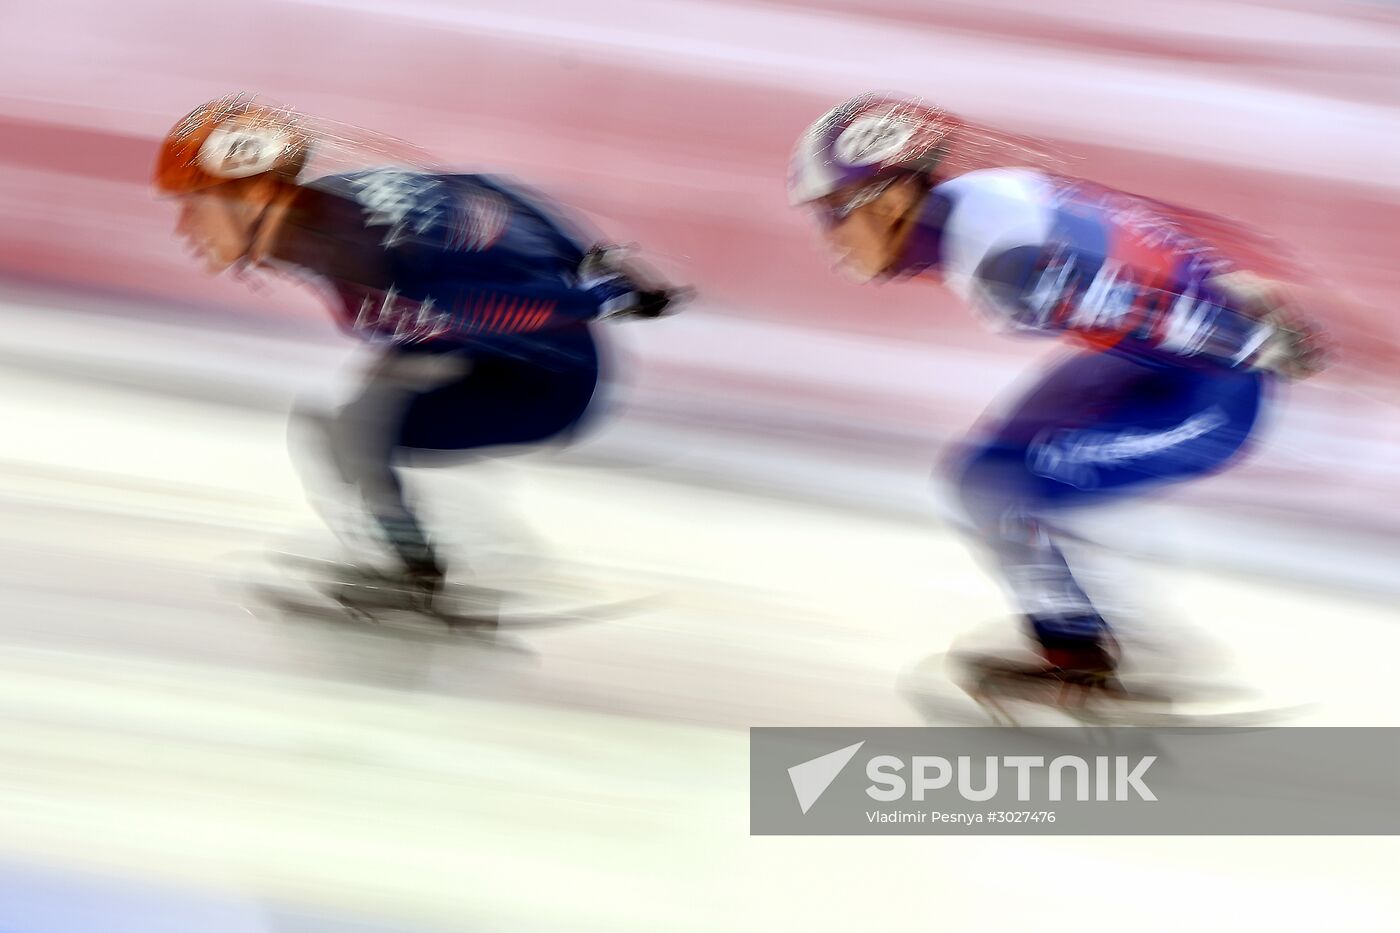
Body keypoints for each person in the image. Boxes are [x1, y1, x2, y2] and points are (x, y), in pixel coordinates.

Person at [788, 93, 1325, 697]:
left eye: (830, 214)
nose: (829, 240)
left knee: (1003, 488)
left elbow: (1143, 303)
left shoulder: (1003, 261)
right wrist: (1235, 291)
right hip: (1156, 367)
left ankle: (1101, 649)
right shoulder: (984, 198)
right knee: (982, 478)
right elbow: (1136, 232)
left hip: (1212, 398)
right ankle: (1082, 641)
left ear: (887, 202)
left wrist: (1253, 336)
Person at [154, 95, 685, 608]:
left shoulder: (357, 258)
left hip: (543, 384)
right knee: (355, 420)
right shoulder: (339, 199)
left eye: (195, 205)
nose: (185, 226)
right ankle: (433, 556)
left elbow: (475, 305)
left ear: (252, 196)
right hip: (518, 356)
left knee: (351, 431)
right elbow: (484, 185)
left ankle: (428, 567)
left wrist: (599, 297)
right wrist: (590, 259)